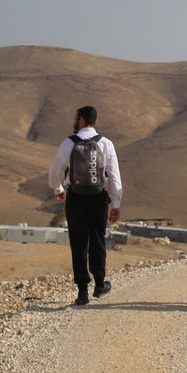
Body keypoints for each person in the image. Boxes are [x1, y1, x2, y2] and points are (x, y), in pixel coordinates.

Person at [47, 105, 123, 306]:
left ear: (81, 119)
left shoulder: (68, 143)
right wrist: (116, 203)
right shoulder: (106, 144)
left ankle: (82, 291)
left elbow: (56, 172)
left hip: (76, 198)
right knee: (97, 239)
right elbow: (113, 176)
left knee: (78, 243)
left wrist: (58, 189)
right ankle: (99, 284)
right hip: (98, 197)